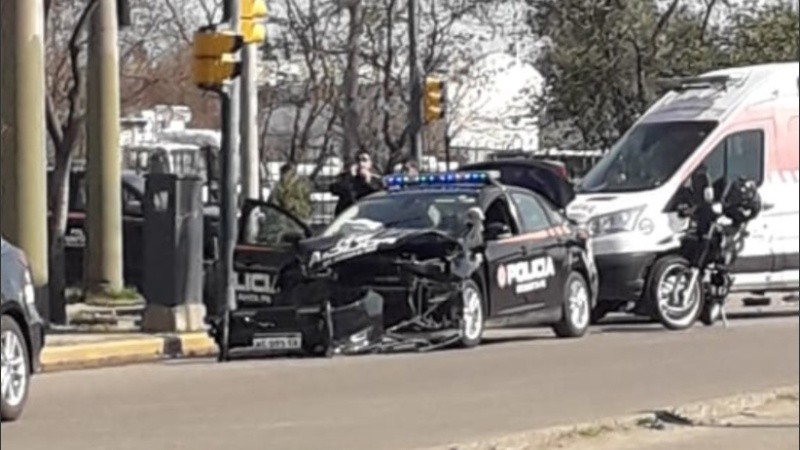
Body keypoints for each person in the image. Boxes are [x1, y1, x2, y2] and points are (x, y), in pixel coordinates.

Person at [330, 151, 383, 215]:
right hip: (347, 215)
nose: (361, 163)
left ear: (370, 163)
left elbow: (378, 195)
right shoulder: (346, 177)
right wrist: (350, 176)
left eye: (364, 160)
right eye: (358, 160)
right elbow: (334, 189)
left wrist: (368, 181)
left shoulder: (376, 181)